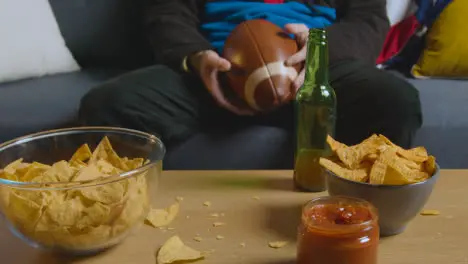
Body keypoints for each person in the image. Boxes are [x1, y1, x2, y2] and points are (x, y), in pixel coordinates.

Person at [79, 0, 422, 152]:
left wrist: (319, 50)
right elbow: (165, 11)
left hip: (315, 71)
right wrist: (197, 58)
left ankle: (360, 232)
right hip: (216, 70)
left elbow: (369, 20)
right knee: (109, 106)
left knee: (394, 102)